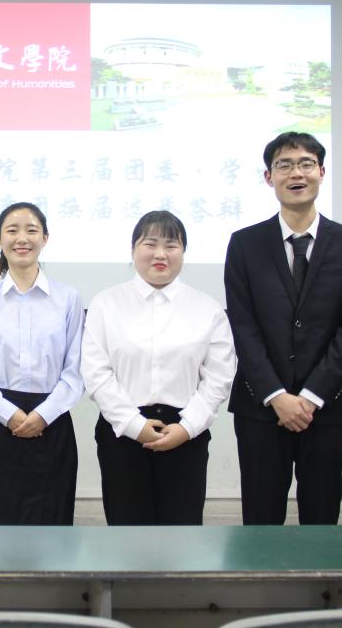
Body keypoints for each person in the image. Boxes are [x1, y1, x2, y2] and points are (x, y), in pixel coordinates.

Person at [224, 131, 342, 525]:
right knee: (261, 519)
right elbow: (243, 326)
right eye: (284, 165)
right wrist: (277, 396)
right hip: (261, 407)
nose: (296, 173)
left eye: (306, 164)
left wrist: (310, 396)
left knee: (321, 518)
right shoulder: (244, 244)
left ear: (321, 172)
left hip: (327, 406)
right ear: (268, 177)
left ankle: (320, 576)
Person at [82, 211, 236, 525]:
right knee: (127, 527)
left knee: (181, 529)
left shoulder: (207, 308)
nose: (160, 254)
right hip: (122, 433)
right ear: (133, 249)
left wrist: (187, 427)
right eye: (150, 244)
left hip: (185, 434)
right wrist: (133, 425)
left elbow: (219, 377)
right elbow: (96, 373)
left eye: (171, 245)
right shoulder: (105, 304)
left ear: (183, 252)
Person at [0, 202, 84, 525]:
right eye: (12, 230)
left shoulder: (68, 299)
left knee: (52, 521)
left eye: (32, 230)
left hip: (53, 423)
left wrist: (44, 414)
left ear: (45, 238)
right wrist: (7, 413)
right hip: (0, 423)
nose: (22, 238)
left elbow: (77, 368)